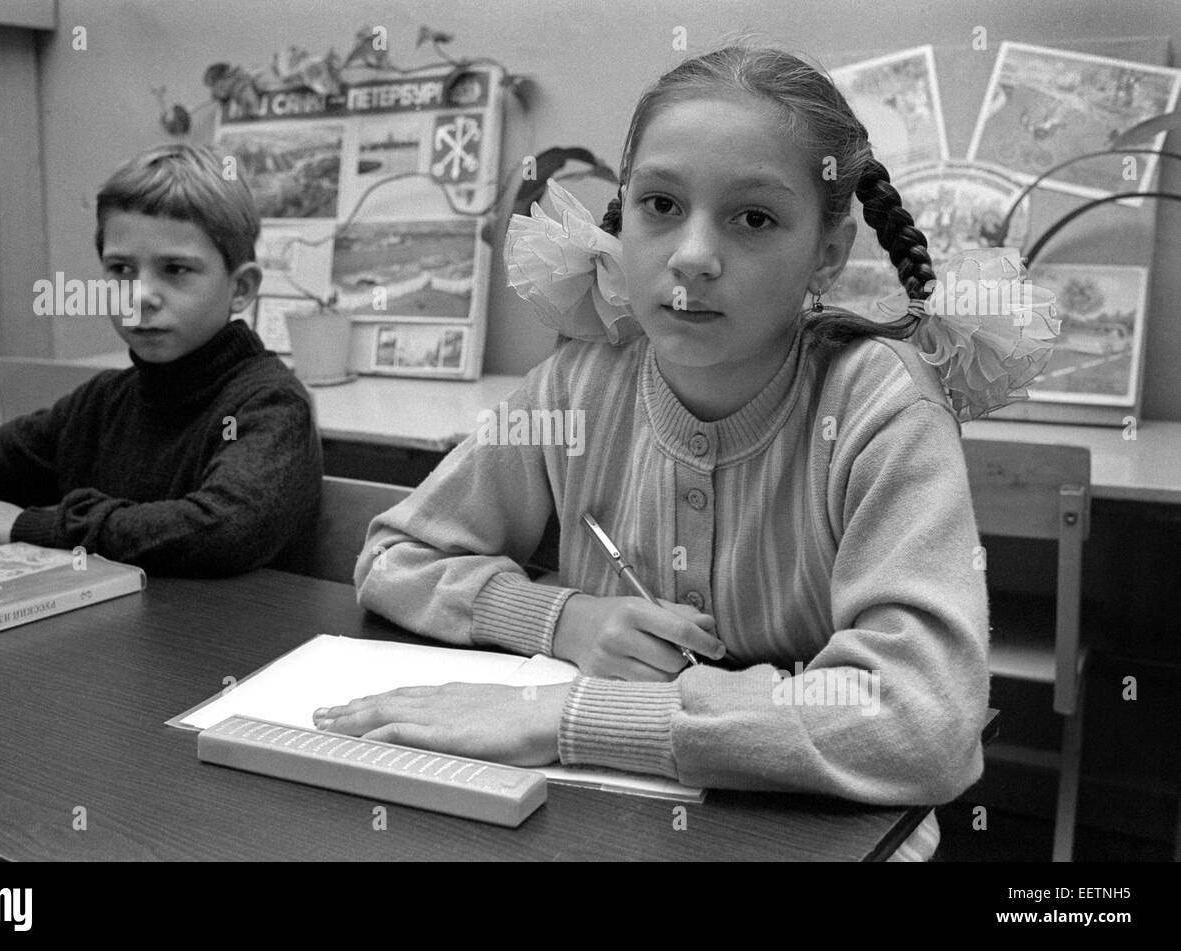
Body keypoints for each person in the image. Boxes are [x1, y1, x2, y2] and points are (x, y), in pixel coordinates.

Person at [328, 43, 1058, 859]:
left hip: (822, 833)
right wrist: (563, 617)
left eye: (754, 218)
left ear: (828, 249)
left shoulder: (881, 404)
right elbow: (395, 554)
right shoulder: (576, 385)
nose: (691, 256)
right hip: (595, 821)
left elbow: (922, 718)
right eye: (661, 204)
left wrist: (571, 718)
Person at [0, 144, 322, 577]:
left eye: (176, 269)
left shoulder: (271, 404)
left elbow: (223, 529)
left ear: (240, 288)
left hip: (225, 644)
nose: (140, 296)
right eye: (121, 270)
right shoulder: (103, 401)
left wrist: (28, 527)